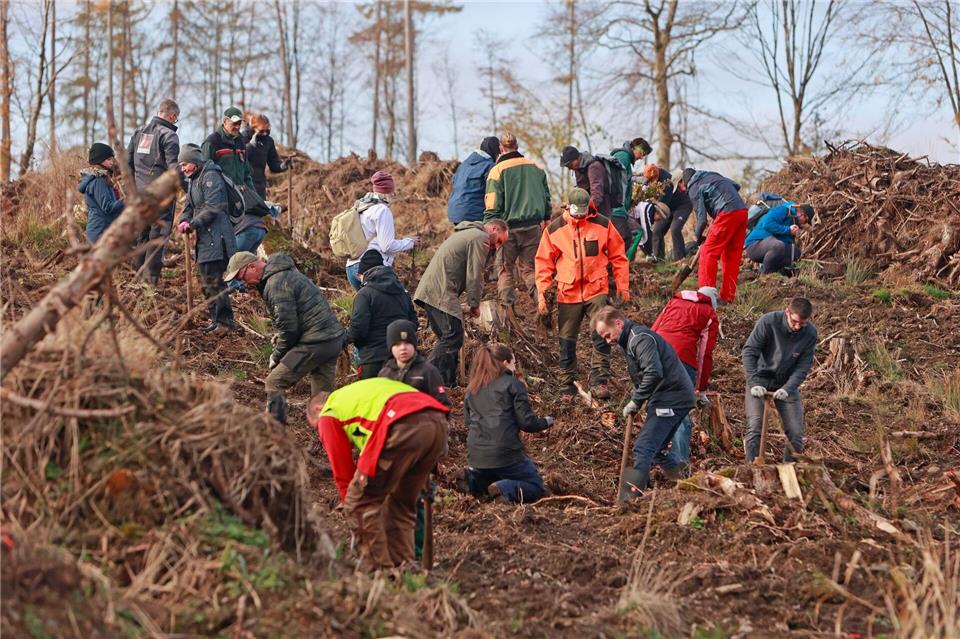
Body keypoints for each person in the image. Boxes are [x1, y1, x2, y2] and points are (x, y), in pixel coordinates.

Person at [311, 378, 449, 569]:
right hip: (437, 422)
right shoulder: (359, 397)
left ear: (318, 409)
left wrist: (352, 508)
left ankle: (380, 574)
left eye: (315, 427)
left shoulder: (329, 412)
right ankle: (405, 569)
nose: (320, 434)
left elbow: (344, 475)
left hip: (402, 423)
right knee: (401, 504)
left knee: (359, 502)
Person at [223, 251, 346, 425]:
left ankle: (275, 432)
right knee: (321, 400)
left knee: (274, 382)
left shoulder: (275, 283)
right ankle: (330, 437)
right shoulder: (284, 273)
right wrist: (280, 336)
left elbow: (289, 329)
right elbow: (292, 320)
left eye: (242, 276)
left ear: (251, 266)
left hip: (315, 342)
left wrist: (277, 355)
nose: (242, 282)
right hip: (332, 341)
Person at [534, 188, 629, 401]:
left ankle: (599, 382)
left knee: (601, 334)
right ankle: (566, 385)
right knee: (566, 339)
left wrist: (623, 286)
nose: (580, 216)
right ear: (568, 207)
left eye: (583, 212)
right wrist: (542, 295)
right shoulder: (554, 229)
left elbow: (619, 256)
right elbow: (543, 264)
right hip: (567, 292)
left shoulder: (603, 224)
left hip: (597, 288)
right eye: (576, 212)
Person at [593, 306, 696, 498]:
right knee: (656, 451)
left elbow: (653, 372)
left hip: (671, 397)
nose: (609, 341)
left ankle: (630, 499)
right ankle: (692, 484)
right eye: (605, 339)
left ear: (618, 323)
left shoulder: (639, 338)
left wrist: (636, 400)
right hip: (670, 396)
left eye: (608, 335)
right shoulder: (631, 339)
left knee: (644, 447)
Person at [413, 220, 510, 387]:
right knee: (452, 337)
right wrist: (474, 303)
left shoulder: (468, 233)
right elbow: (475, 274)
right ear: (494, 229)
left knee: (449, 338)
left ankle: (447, 384)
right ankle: (420, 377)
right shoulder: (480, 238)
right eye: (499, 240)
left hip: (431, 289)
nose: (497, 246)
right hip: (440, 290)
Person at [462, 343, 554, 503]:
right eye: (514, 363)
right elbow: (527, 423)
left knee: (489, 475)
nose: (515, 367)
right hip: (506, 453)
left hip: (476, 455)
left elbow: (468, 422)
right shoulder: (513, 385)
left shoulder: (472, 388)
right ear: (506, 362)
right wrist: (547, 421)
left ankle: (471, 478)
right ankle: (504, 489)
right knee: (536, 485)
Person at [742, 297, 817, 463]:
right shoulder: (768, 322)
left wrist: (788, 388)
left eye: (802, 323)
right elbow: (749, 352)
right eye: (795, 321)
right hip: (759, 380)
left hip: (785, 384)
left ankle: (788, 473)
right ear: (787, 312)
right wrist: (753, 382)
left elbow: (803, 367)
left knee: (796, 434)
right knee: (755, 427)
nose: (798, 327)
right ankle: (750, 471)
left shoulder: (810, 334)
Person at [651, 286, 720, 465]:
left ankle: (649, 459)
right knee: (681, 414)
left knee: (660, 408)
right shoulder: (709, 313)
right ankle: (680, 465)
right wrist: (700, 388)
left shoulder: (673, 302)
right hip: (681, 361)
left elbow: (654, 328)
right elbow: (705, 354)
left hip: (656, 356)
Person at [483, 132, 551, 310]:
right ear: (517, 146)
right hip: (533, 228)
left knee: (505, 270)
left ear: (500, 148)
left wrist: (488, 229)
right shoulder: (536, 167)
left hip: (507, 231)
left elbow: (492, 205)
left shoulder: (497, 171)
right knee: (531, 270)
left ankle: (507, 314)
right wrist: (546, 218)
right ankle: (543, 308)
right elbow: (546, 197)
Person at [175, 143, 236, 334]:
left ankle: (225, 322)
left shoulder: (211, 176)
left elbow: (213, 207)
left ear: (195, 162)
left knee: (215, 280)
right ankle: (216, 319)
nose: (183, 168)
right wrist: (184, 220)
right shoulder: (193, 179)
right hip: (205, 239)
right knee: (205, 280)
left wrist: (193, 224)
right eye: (181, 165)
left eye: (185, 164)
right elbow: (189, 208)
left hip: (218, 238)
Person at [127, 99, 181, 284]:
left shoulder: (138, 133)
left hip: (140, 196)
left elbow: (127, 166)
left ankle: (137, 280)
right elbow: (174, 169)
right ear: (172, 116)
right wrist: (189, 187)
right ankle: (149, 286)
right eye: (176, 118)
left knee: (142, 237)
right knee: (157, 239)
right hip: (161, 199)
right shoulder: (169, 136)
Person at [346, 250, 418, 380]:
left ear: (361, 274)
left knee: (371, 399)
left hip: (372, 361)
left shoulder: (364, 294)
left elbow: (358, 329)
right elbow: (413, 323)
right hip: (401, 362)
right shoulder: (403, 292)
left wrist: (346, 341)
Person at [679, 168, 749, 303]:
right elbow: (736, 186)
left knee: (708, 251)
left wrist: (699, 238)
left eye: (680, 186)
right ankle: (727, 297)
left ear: (684, 182)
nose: (682, 190)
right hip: (741, 211)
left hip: (727, 212)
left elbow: (701, 219)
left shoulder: (694, 187)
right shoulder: (711, 175)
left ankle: (706, 297)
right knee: (731, 256)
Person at [344, 171, 418, 291]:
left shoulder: (362, 206)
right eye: (392, 190)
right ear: (387, 191)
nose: (394, 194)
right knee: (396, 303)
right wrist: (410, 242)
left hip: (351, 268)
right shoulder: (382, 210)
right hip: (370, 268)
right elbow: (387, 246)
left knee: (367, 306)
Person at [378, 319, 451, 408]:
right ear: (390, 348)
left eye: (407, 343)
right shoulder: (385, 374)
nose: (403, 348)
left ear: (414, 345)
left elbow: (442, 404)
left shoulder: (428, 372)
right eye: (397, 344)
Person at [744, 203, 813, 275]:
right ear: (800, 212)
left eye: (806, 221)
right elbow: (767, 224)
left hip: (770, 245)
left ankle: (780, 274)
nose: (804, 221)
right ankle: (766, 276)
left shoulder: (793, 222)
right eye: (805, 218)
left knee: (795, 252)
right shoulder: (783, 210)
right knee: (778, 246)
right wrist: (788, 230)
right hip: (755, 244)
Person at [645, 163, 693, 262]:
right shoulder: (651, 180)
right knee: (657, 230)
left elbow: (661, 206)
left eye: (652, 180)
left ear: (656, 175)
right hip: (668, 208)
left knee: (675, 228)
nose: (651, 182)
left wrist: (654, 217)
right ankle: (659, 260)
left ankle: (679, 259)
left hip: (682, 206)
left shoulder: (666, 183)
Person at [447, 136, 500, 225]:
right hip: (473, 215)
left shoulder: (464, 165)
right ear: (494, 151)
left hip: (454, 213)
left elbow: (453, 182)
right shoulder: (489, 166)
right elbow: (493, 191)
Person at [202, 106, 256, 191]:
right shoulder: (212, 142)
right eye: (234, 123)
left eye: (239, 123)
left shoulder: (241, 141)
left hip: (239, 195)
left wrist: (254, 196)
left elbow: (246, 174)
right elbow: (205, 174)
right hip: (220, 195)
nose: (238, 127)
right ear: (225, 121)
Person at [79, 143, 124, 244]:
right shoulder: (99, 181)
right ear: (99, 161)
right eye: (108, 159)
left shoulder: (99, 178)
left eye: (112, 159)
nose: (112, 162)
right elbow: (107, 207)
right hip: (100, 233)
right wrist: (126, 201)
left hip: (101, 231)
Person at [242, 113, 286, 200]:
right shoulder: (242, 137)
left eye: (267, 131)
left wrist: (282, 166)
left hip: (260, 186)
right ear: (253, 128)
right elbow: (238, 157)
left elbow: (273, 163)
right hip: (244, 184)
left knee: (259, 211)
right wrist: (251, 145)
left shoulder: (268, 142)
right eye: (261, 131)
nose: (265, 134)